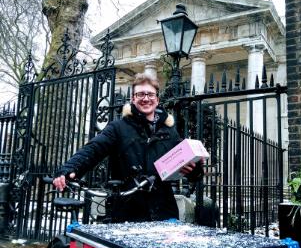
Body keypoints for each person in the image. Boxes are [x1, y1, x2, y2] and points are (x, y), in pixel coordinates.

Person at [53, 73, 203, 222]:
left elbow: (187, 167)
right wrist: (69, 170)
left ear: (157, 100)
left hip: (164, 212)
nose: (146, 98)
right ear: (133, 99)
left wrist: (194, 170)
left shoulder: (170, 131)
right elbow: (93, 148)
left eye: (150, 94)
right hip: (128, 212)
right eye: (140, 94)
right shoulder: (118, 127)